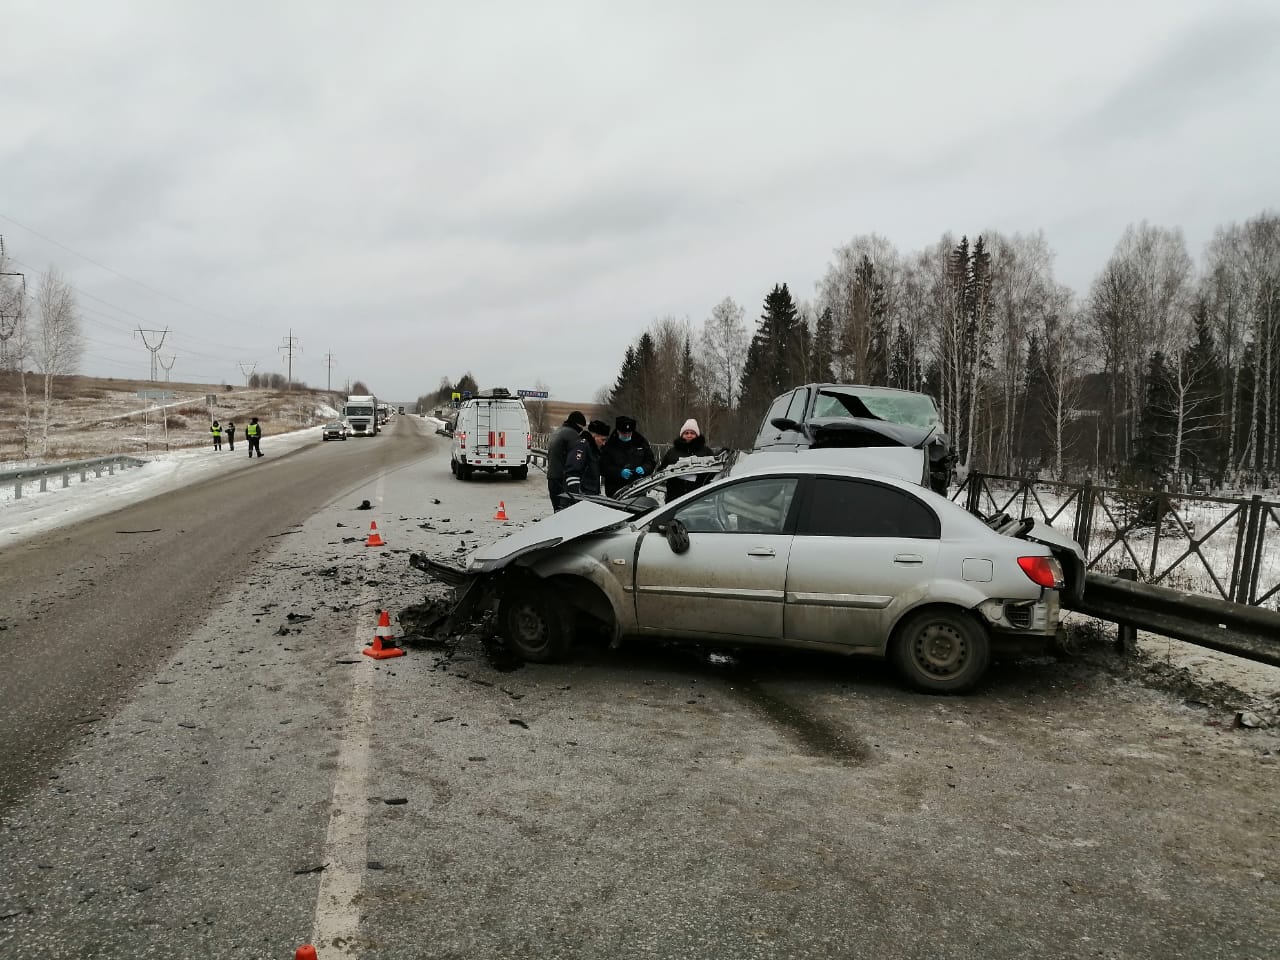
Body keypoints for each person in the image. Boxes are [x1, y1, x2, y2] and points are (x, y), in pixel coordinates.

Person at [600, 415, 657, 497]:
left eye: (629, 433)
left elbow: (650, 461)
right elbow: (603, 467)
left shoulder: (640, 442)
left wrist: (644, 468)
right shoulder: (609, 446)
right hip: (616, 491)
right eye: (624, 433)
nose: (627, 435)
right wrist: (619, 472)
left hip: (637, 490)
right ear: (618, 431)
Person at [659, 418, 713, 501]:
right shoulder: (672, 452)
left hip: (697, 496)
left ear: (697, 435)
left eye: (692, 433)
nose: (689, 435)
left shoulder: (706, 451)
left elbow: (712, 472)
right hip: (674, 496)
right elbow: (662, 469)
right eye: (686, 433)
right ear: (682, 434)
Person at [546, 410, 587, 511]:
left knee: (557, 509)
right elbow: (575, 460)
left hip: (552, 477)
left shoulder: (557, 432)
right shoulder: (573, 435)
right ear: (578, 424)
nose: (582, 430)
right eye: (582, 427)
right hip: (562, 479)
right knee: (566, 512)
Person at [562, 419, 611, 501]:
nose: (604, 443)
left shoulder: (594, 450)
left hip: (590, 495)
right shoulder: (582, 447)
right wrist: (576, 496)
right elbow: (572, 472)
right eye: (602, 439)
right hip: (581, 496)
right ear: (594, 436)